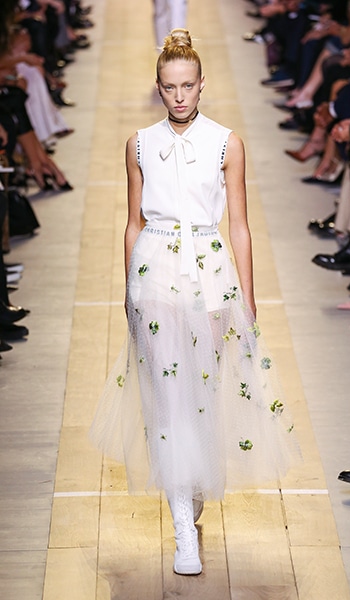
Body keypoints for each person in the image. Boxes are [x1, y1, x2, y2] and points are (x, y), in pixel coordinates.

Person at [89, 29, 300, 576]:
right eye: (169, 87)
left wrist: (247, 296)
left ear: (203, 83)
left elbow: (240, 226)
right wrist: (128, 289)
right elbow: (134, 221)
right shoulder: (139, 144)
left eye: (187, 85)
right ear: (158, 87)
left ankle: (192, 482)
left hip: (210, 268)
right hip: (154, 268)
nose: (179, 96)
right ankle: (183, 527)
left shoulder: (227, 143)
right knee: (167, 399)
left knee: (201, 389)